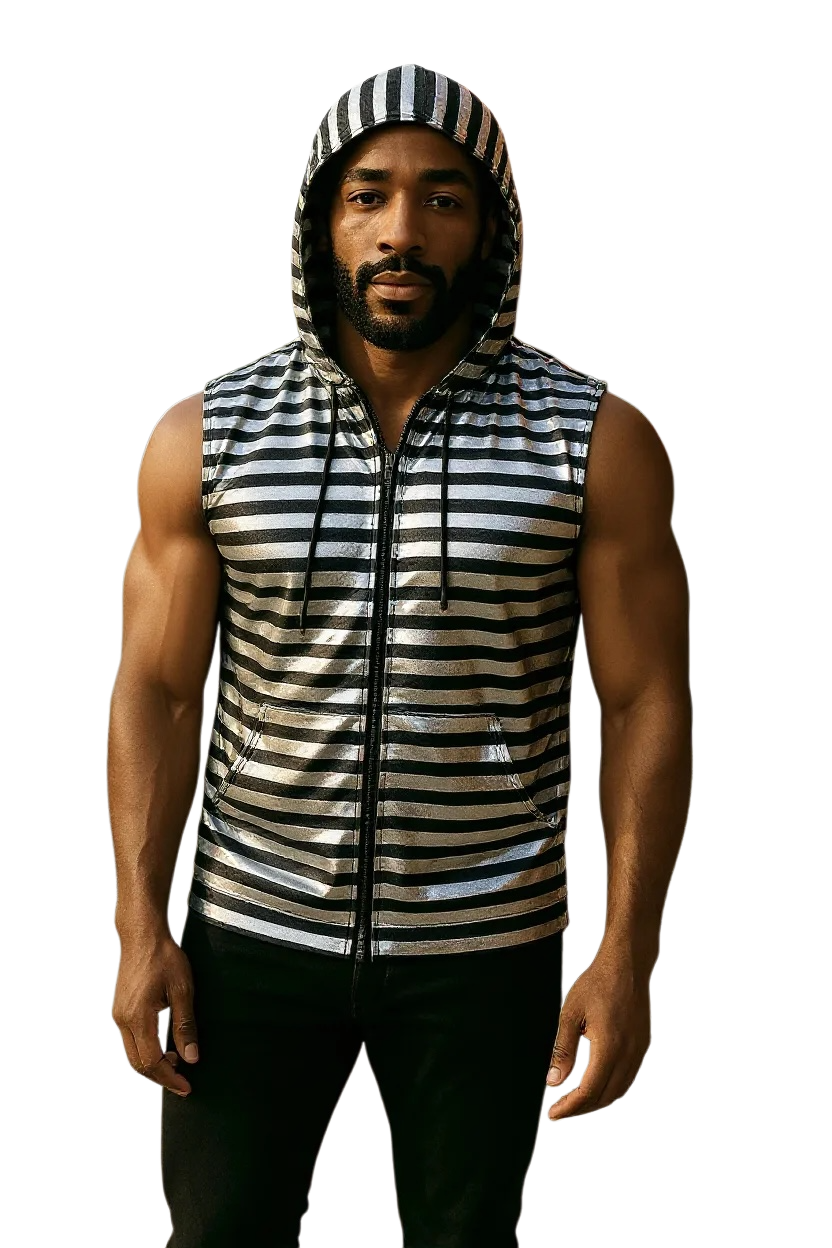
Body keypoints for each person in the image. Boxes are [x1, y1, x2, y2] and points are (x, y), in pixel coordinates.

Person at [109, 63, 693, 1247]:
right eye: (367, 194)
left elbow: (644, 702)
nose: (401, 232)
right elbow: (159, 694)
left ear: (492, 229)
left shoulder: (593, 440)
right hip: (249, 935)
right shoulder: (206, 436)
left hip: (487, 944)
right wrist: (138, 926)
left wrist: (626, 957)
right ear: (320, 221)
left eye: (443, 198)